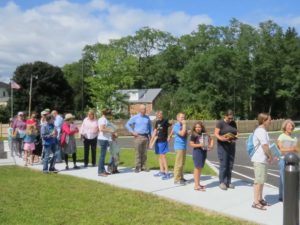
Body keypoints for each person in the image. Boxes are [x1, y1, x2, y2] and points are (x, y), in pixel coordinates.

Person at [251, 113, 273, 210]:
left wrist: (269, 156)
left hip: (262, 159)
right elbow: (265, 146)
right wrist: (270, 156)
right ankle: (255, 202)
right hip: (259, 159)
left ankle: (260, 199)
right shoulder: (260, 131)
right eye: (269, 120)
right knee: (258, 181)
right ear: (264, 120)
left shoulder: (263, 131)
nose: (270, 121)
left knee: (262, 180)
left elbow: (266, 146)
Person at [214, 110, 238, 190]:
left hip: (231, 145)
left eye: (231, 118)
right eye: (229, 118)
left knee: (230, 164)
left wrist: (236, 136)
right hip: (223, 146)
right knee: (224, 164)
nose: (230, 120)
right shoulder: (220, 123)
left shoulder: (233, 123)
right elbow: (216, 134)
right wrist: (221, 138)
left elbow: (236, 132)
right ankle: (222, 182)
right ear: (225, 116)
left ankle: (228, 182)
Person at [125, 105, 152, 173]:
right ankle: (137, 166)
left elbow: (150, 127)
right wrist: (132, 132)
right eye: (143, 109)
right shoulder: (135, 117)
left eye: (145, 109)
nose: (144, 110)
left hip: (146, 137)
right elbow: (127, 124)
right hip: (138, 137)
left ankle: (143, 166)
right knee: (138, 152)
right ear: (140, 110)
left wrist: (151, 136)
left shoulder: (147, 118)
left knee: (144, 153)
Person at [277, 119, 298, 202]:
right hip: (283, 160)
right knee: (284, 180)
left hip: (292, 161)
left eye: (292, 126)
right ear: (285, 127)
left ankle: (281, 196)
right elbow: (281, 149)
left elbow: (296, 150)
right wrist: (292, 148)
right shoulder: (281, 136)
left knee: (284, 179)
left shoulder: (293, 138)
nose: (291, 127)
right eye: (289, 126)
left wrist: (296, 149)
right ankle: (286, 198)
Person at [190, 121, 213, 191]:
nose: (197, 128)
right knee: (197, 168)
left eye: (199, 127)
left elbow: (211, 139)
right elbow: (191, 144)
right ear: (194, 128)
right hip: (197, 152)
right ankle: (196, 186)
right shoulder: (194, 135)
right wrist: (200, 145)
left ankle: (198, 184)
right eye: (196, 127)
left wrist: (211, 146)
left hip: (203, 152)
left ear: (201, 127)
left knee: (200, 169)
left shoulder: (205, 134)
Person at [151, 111, 172, 180]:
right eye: (158, 114)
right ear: (156, 115)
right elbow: (155, 131)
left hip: (163, 141)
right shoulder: (157, 122)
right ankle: (162, 171)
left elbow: (171, 126)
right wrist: (151, 140)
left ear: (162, 115)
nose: (159, 115)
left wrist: (169, 136)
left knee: (163, 156)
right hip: (157, 140)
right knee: (159, 156)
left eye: (160, 114)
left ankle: (167, 173)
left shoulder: (165, 121)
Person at [97, 109, 115, 176]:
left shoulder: (105, 119)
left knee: (103, 156)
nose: (110, 116)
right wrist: (110, 130)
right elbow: (101, 129)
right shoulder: (102, 119)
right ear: (106, 114)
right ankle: (100, 171)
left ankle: (103, 170)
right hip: (103, 139)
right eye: (109, 114)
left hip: (105, 139)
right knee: (102, 156)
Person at [173, 112, 188, 185]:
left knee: (182, 163)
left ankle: (181, 177)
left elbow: (185, 133)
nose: (183, 119)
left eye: (184, 117)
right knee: (178, 163)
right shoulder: (176, 126)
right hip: (179, 146)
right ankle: (177, 179)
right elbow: (182, 133)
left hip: (184, 146)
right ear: (177, 118)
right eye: (182, 117)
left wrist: (188, 132)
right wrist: (185, 125)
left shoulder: (183, 125)